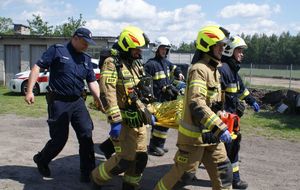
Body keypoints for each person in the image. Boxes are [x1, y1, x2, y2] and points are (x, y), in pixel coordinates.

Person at [154, 25, 233, 190]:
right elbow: (197, 102)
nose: (222, 49)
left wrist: (222, 114)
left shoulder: (214, 70)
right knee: (182, 177)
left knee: (224, 173)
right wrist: (218, 126)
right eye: (219, 45)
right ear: (207, 46)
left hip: (211, 136)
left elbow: (212, 102)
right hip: (193, 139)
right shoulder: (199, 69)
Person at [24, 27, 101, 183]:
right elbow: (38, 66)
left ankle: (88, 172)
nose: (87, 46)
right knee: (60, 139)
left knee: (86, 134)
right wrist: (30, 91)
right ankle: (42, 159)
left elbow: (92, 81)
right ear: (75, 38)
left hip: (78, 101)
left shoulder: (86, 59)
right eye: (85, 42)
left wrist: (98, 99)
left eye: (88, 43)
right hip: (58, 101)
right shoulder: (57, 50)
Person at [91, 26, 153, 190]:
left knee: (140, 158)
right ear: (126, 46)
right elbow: (108, 93)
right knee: (124, 159)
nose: (139, 52)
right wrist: (115, 122)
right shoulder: (112, 64)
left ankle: (130, 186)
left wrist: (149, 110)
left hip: (138, 119)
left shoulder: (134, 63)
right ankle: (96, 178)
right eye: (136, 49)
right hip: (123, 121)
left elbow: (139, 89)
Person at [218, 35, 260, 189]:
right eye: (239, 50)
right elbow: (216, 97)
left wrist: (252, 101)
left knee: (233, 148)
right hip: (223, 120)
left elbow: (242, 90)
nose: (242, 54)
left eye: (242, 51)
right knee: (225, 150)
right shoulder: (223, 70)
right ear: (229, 51)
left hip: (232, 119)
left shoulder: (233, 70)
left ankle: (234, 179)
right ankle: (231, 179)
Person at [144, 36, 185, 156]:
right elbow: (145, 83)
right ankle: (154, 147)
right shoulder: (150, 65)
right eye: (162, 49)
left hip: (165, 99)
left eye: (166, 49)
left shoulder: (166, 63)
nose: (164, 51)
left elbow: (175, 68)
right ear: (157, 49)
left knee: (164, 124)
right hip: (156, 100)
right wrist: (160, 89)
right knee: (161, 124)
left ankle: (158, 145)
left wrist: (179, 73)